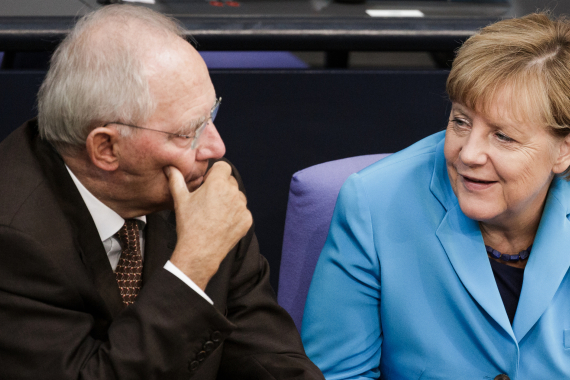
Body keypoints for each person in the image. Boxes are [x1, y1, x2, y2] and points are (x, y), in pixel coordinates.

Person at [0, 5, 323, 380]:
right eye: (187, 133)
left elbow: (268, 358)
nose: (216, 148)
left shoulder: (204, 186)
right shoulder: (13, 237)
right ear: (106, 148)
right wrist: (191, 267)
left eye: (211, 117)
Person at [301, 13, 570, 380]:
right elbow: (338, 375)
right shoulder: (375, 204)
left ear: (563, 152)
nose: (468, 154)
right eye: (461, 121)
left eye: (502, 136)